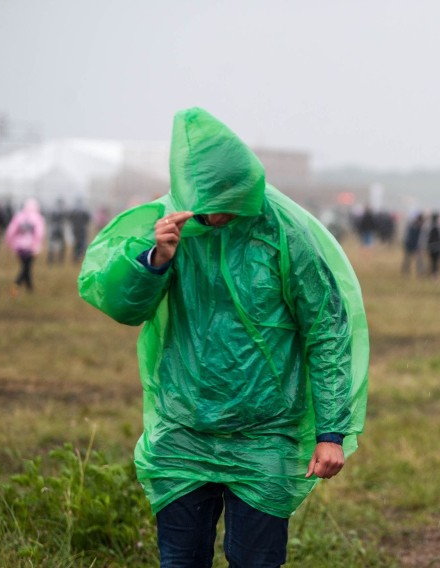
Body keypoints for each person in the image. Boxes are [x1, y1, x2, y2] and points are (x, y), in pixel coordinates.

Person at [78, 108, 368, 567]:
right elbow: (123, 307)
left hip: (265, 434)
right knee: (180, 561)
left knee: (255, 561)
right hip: (184, 429)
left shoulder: (284, 235)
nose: (215, 215)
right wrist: (156, 259)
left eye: (226, 201)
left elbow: (326, 333)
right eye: (206, 202)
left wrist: (331, 431)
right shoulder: (171, 227)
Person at [5, 198, 46, 294]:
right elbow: (39, 234)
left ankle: (29, 288)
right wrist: (37, 247)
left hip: (19, 247)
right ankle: (16, 285)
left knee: (26, 267)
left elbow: (11, 231)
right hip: (31, 247)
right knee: (26, 268)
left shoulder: (19, 216)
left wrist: (9, 243)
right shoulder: (37, 217)